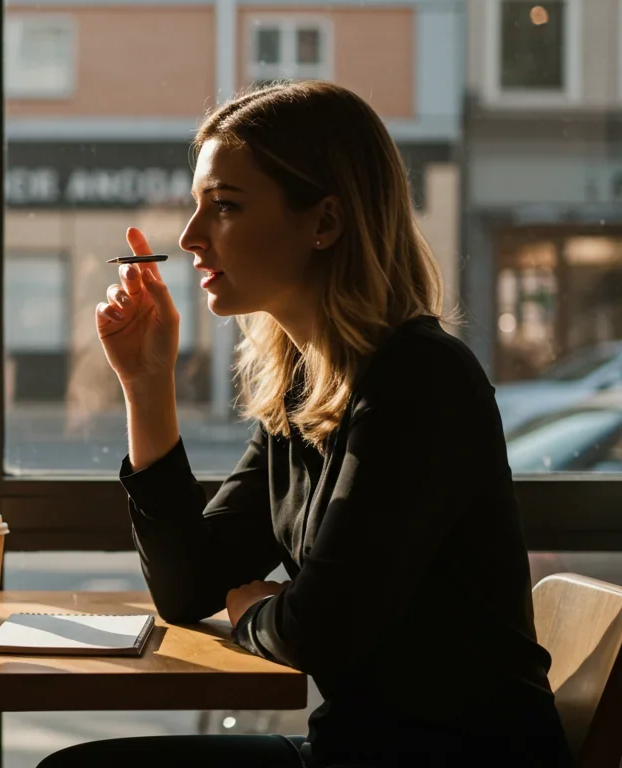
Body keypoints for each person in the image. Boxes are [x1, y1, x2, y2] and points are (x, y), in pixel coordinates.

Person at [39, 81, 571, 767]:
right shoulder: (308, 388)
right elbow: (188, 585)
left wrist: (256, 612)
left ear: (325, 222)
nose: (190, 237)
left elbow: (321, 631)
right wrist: (147, 387)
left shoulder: (420, 381)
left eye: (224, 207)